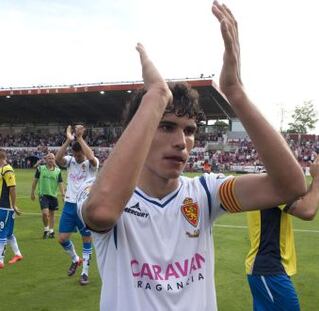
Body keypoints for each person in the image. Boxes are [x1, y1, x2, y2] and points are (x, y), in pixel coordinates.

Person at [76, 2, 306, 310]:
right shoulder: (96, 192)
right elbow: (102, 212)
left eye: (189, 130)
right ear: (140, 130)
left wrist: (235, 91)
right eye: (167, 126)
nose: (182, 142)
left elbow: (290, 187)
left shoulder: (205, 193)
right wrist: (156, 96)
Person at [246, 152, 319, 311]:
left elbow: (306, 199)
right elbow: (308, 210)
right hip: (268, 268)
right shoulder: (272, 186)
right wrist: (318, 179)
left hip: (269, 268)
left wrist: (318, 177)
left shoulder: (269, 183)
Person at [55, 125, 99, 285]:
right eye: (75, 154)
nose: (77, 157)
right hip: (69, 205)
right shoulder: (70, 161)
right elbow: (58, 158)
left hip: (84, 207)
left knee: (86, 240)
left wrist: (80, 137)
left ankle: (85, 273)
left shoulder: (91, 165)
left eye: (79, 154)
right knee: (62, 239)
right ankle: (75, 259)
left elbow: (92, 158)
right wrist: (68, 140)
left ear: (83, 152)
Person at [31, 152, 65, 239]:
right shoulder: (40, 169)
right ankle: (46, 229)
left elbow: (60, 183)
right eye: (49, 158)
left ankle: (51, 231)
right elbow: (35, 181)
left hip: (53, 195)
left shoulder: (58, 171)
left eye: (52, 158)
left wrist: (63, 194)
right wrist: (32, 192)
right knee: (45, 213)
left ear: (54, 160)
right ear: (46, 160)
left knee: (52, 214)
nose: (51, 160)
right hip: (43, 195)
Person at [0, 149, 23, 269]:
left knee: (1, 233)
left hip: (5, 207)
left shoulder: (7, 169)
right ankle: (18, 254)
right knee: (8, 233)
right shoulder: (2, 169)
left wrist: (13, 205)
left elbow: (12, 188)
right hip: (3, 206)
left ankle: (0, 260)